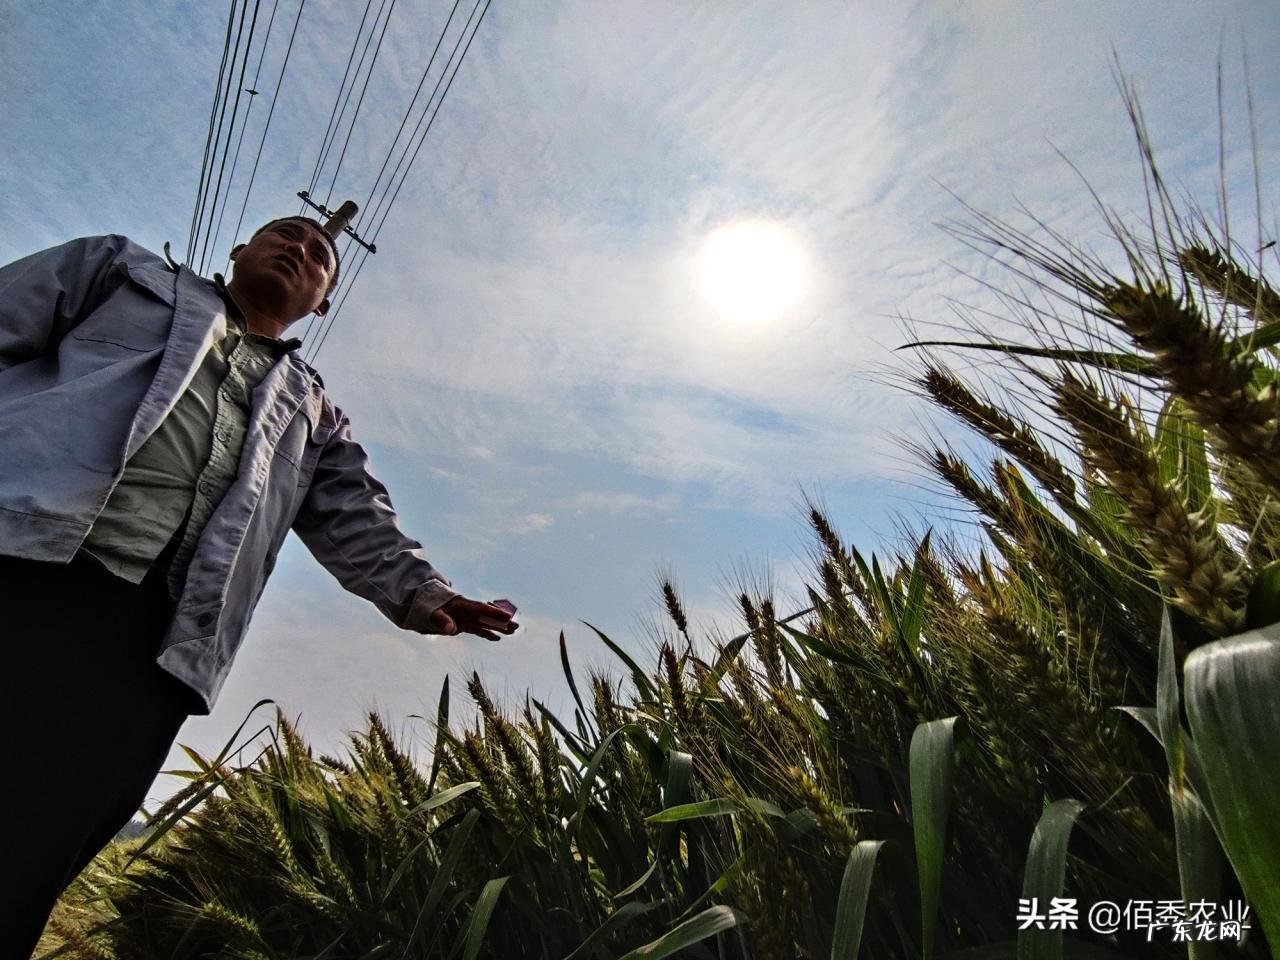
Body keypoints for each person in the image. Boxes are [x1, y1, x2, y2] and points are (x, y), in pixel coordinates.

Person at [0, 214, 518, 956]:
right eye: (286, 235)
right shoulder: (120, 273)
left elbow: (357, 517)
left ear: (322, 302)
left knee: (37, 843)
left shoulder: (313, 413)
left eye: (318, 258)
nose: (299, 250)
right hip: (22, 558)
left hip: (154, 640)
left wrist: (425, 592)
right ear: (241, 249)